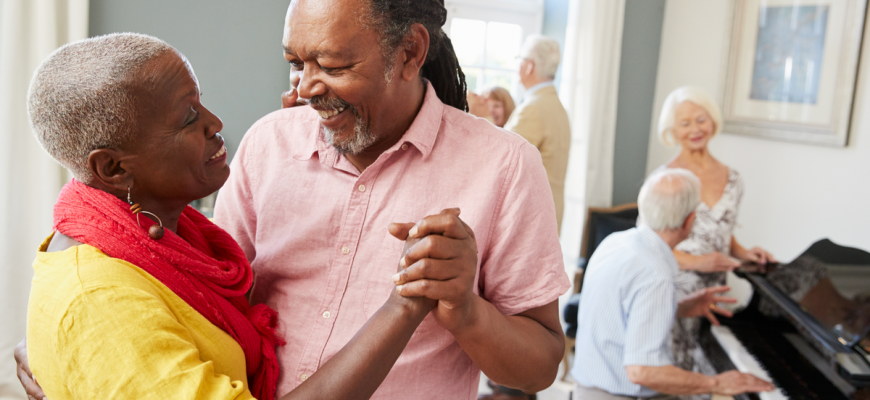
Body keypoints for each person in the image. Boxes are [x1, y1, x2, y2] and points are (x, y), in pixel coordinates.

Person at [16, 32, 458, 400]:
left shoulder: (161, 235)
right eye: (189, 117)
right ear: (112, 168)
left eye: (201, 102)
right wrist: (404, 304)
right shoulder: (99, 304)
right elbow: (102, 321)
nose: (215, 122)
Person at [216, 0, 571, 399]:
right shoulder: (268, 144)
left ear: (410, 52)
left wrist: (467, 312)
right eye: (296, 63)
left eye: (333, 66)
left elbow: (540, 368)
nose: (305, 89)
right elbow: (209, 305)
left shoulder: (505, 167)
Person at [652, 86, 845, 393]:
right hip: (678, 286)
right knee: (687, 375)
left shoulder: (732, 178)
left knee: (808, 272)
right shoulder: (665, 180)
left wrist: (744, 253)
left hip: (717, 288)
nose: (695, 129)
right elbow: (648, 247)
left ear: (713, 121)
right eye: (684, 123)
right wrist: (700, 262)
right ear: (672, 130)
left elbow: (722, 232)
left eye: (700, 119)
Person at [572, 168, 775, 399]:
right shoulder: (655, 275)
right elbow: (642, 372)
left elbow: (622, 316)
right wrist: (716, 383)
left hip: (587, 388)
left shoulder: (616, 242)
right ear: (690, 220)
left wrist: (680, 307)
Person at [503, 34, 570, 232]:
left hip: (531, 218)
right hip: (548, 212)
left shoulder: (534, 108)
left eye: (519, 60)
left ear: (529, 66)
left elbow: (501, 158)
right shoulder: (556, 106)